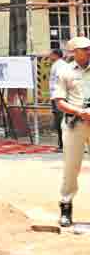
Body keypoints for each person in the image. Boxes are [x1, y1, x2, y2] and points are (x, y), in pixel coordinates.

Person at [51, 36, 90, 227]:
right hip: (76, 123)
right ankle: (66, 207)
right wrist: (79, 112)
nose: (88, 51)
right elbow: (59, 102)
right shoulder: (64, 72)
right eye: (84, 49)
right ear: (74, 52)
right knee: (71, 167)